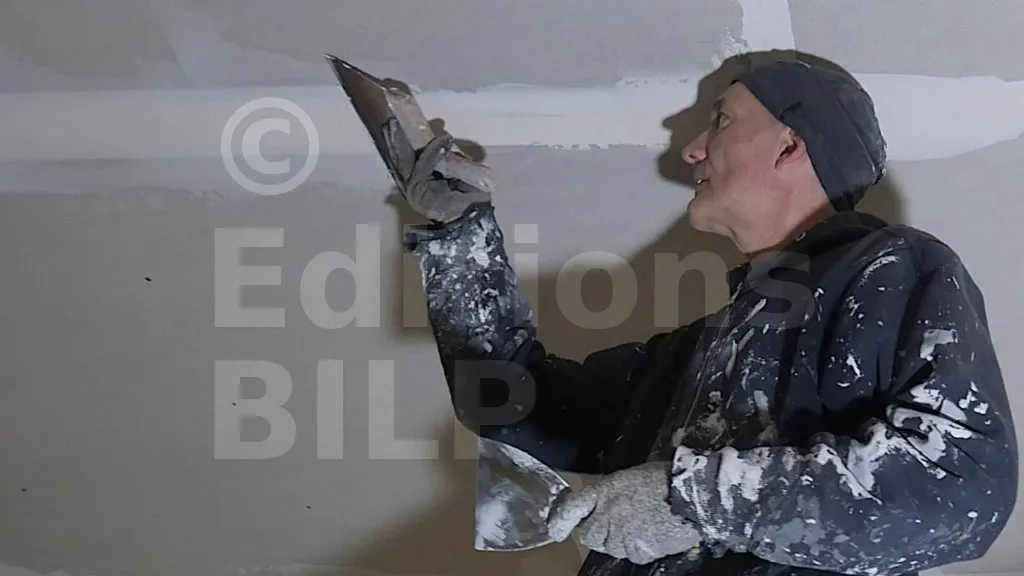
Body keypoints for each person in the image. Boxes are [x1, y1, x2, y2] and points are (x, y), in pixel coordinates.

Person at [392, 57, 1018, 576]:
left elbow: (958, 489)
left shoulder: (892, 267)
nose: (691, 152)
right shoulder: (699, 354)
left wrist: (694, 499)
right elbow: (510, 404)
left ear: (791, 146)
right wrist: (461, 234)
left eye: (720, 121)